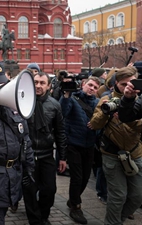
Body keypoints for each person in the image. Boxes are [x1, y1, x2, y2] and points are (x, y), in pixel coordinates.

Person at [0, 60, 35, 225]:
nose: (1, 86)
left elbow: (25, 139)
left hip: (11, 176)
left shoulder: (13, 105)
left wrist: (29, 169)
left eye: (3, 82)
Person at [92, 66, 142, 225]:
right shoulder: (107, 99)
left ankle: (116, 221)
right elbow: (94, 124)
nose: (128, 87)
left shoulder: (139, 101)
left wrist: (126, 115)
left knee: (137, 196)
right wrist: (105, 113)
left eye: (132, 83)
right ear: (115, 84)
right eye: (124, 84)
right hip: (112, 154)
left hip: (136, 153)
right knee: (118, 195)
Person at [23, 72, 67, 225]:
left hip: (47, 155)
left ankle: (44, 216)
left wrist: (62, 157)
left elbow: (60, 132)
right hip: (27, 156)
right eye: (35, 82)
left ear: (49, 86)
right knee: (29, 191)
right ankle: (34, 220)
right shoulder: (22, 101)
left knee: (49, 190)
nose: (38, 86)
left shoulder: (55, 105)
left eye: (42, 83)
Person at [59, 76, 101, 224]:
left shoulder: (97, 103)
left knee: (84, 177)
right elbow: (62, 112)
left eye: (95, 87)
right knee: (77, 177)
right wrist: (66, 95)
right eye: (90, 85)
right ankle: (76, 207)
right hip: (73, 144)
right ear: (83, 84)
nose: (92, 89)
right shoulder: (72, 99)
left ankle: (72, 199)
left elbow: (102, 122)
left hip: (89, 146)